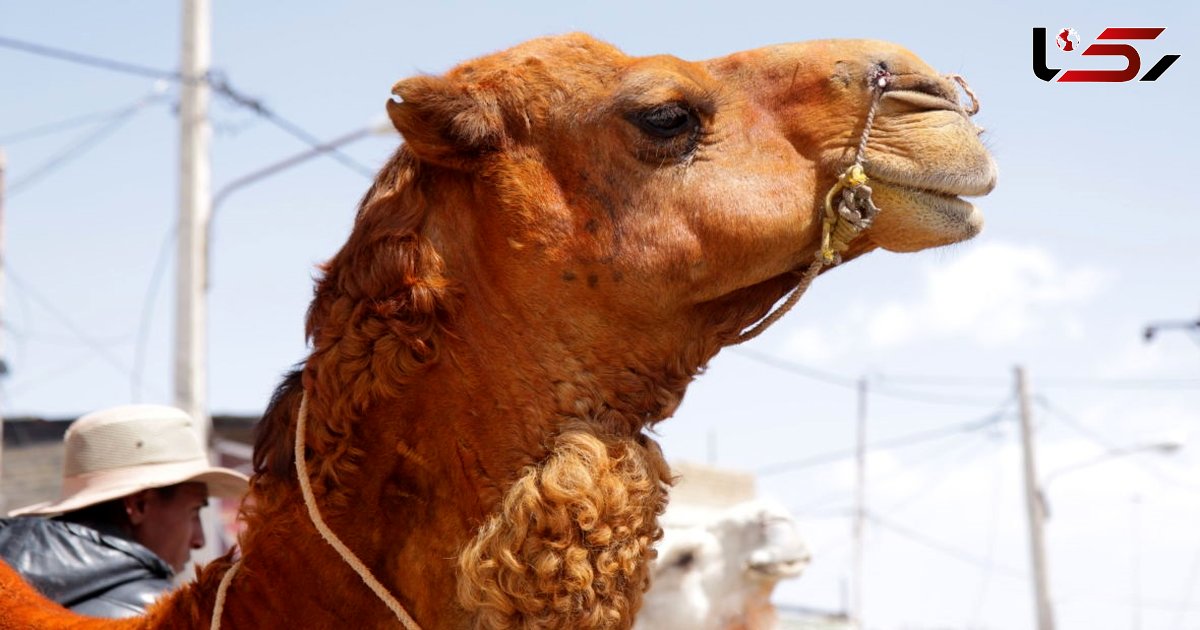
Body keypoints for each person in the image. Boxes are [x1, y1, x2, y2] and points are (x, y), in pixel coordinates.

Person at [0, 405, 249, 618]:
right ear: (139, 505)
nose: (199, 540)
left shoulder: (13, 564)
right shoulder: (158, 616)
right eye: (194, 511)